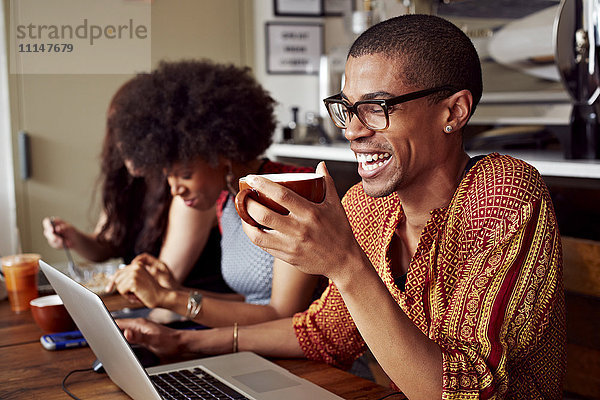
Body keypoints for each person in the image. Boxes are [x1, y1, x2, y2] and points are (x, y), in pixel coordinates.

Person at [117, 15, 566, 399]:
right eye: (346, 108)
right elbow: (323, 333)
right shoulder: (369, 208)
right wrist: (182, 342)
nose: (351, 130)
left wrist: (343, 262)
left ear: (453, 112)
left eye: (375, 107)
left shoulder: (503, 193)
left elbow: (465, 392)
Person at [106, 60, 324, 328]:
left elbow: (282, 314)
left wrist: (169, 298)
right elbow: (251, 303)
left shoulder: (290, 191)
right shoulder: (226, 200)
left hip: (316, 362)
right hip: (255, 349)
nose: (175, 189)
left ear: (220, 152)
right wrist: (176, 290)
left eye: (185, 174)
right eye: (168, 175)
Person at [42, 76, 226, 289]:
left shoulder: (188, 189)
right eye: (119, 133)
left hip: (185, 312)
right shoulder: (128, 179)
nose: (123, 145)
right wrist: (73, 238)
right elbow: (107, 245)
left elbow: (162, 282)